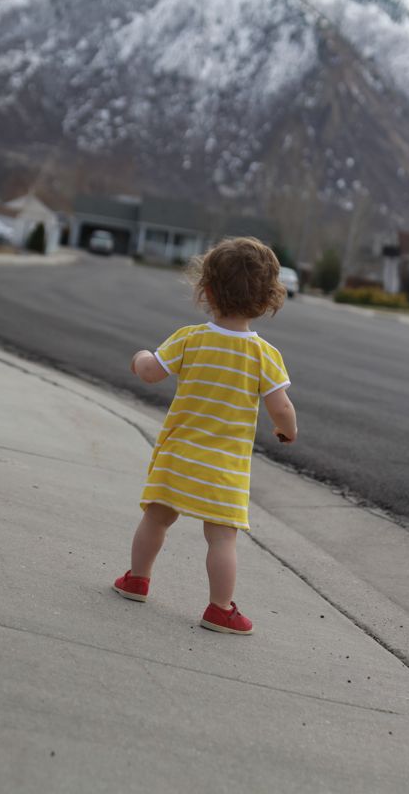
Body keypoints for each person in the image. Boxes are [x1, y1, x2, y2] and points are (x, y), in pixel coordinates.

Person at [113, 237, 298, 634]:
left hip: (179, 455)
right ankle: (219, 608)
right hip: (224, 468)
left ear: (207, 290)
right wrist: (286, 431)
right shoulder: (264, 355)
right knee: (222, 539)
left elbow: (150, 372)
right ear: (268, 299)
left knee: (156, 519)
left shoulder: (190, 338)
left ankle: (137, 580)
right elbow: (281, 408)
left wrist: (140, 357)